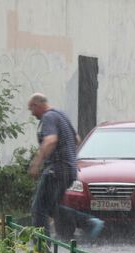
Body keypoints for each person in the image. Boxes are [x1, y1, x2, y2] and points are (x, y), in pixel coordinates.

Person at [27, 92, 104, 241]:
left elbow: (50, 140)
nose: (32, 113)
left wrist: (36, 163)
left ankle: (42, 246)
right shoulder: (61, 115)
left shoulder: (48, 117)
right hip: (68, 170)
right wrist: (70, 159)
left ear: (37, 105)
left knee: (39, 208)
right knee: (50, 207)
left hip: (56, 170)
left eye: (31, 109)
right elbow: (77, 139)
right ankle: (89, 223)